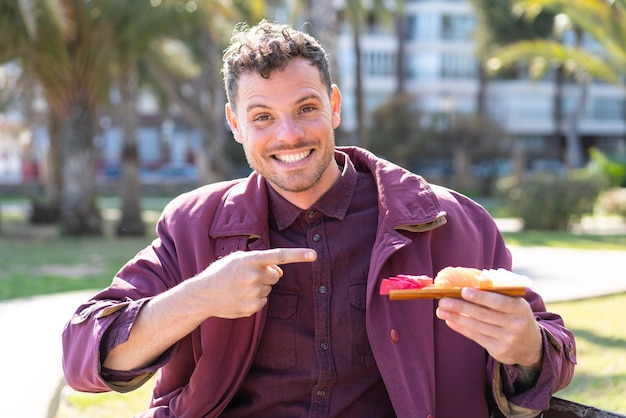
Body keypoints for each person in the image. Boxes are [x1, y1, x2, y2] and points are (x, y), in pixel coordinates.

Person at [62, 20, 576, 418]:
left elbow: (553, 348)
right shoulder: (193, 225)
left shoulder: (454, 222)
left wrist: (527, 349)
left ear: (333, 106)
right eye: (262, 116)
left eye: (306, 107)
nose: (288, 135)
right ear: (235, 124)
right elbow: (83, 353)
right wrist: (199, 297)